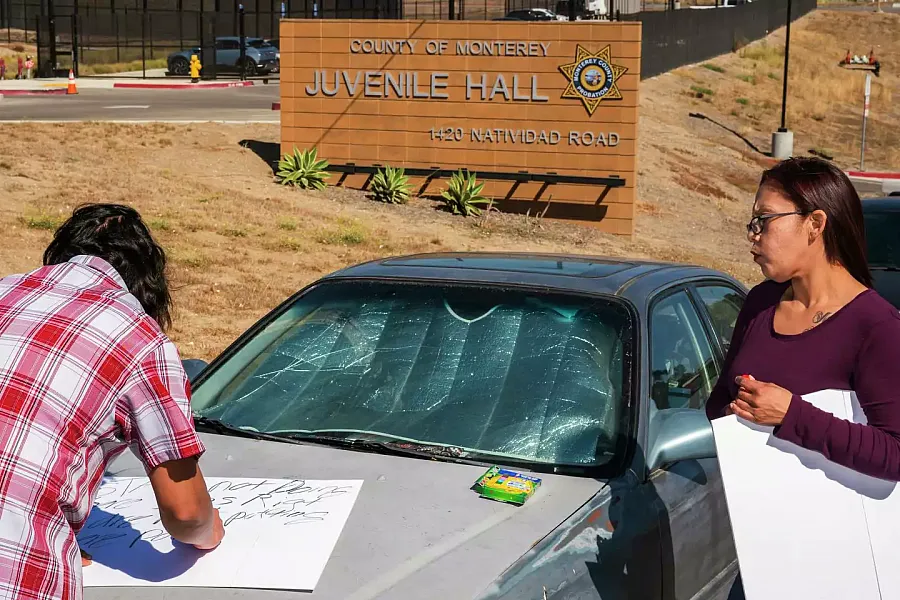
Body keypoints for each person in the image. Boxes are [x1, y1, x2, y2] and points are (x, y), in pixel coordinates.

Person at [0, 204, 225, 600]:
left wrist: (54, 527)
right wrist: (208, 532)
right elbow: (186, 513)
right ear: (147, 284)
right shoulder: (139, 339)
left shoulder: (6, 290)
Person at [706, 157, 900, 481]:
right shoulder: (760, 301)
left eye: (764, 220)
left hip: (828, 526)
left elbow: (895, 454)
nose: (753, 235)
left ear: (815, 224)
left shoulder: (877, 326)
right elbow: (717, 404)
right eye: (753, 222)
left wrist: (790, 414)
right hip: (751, 518)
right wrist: (735, 418)